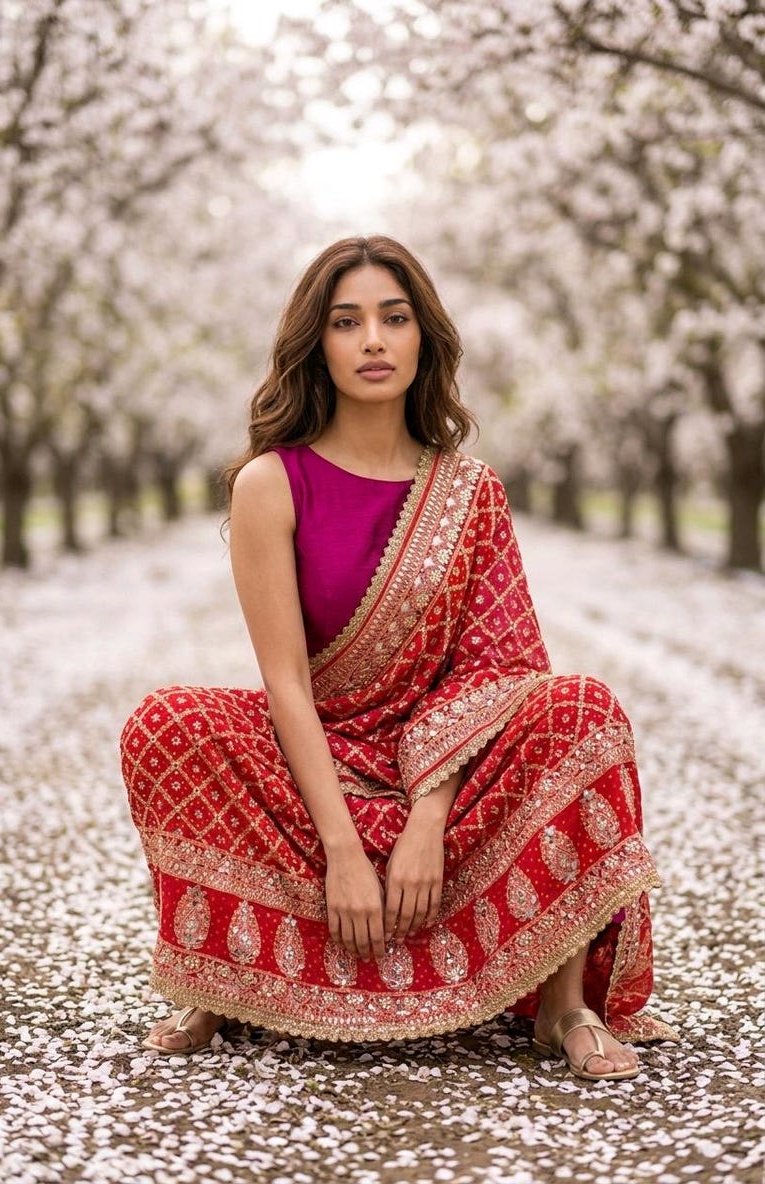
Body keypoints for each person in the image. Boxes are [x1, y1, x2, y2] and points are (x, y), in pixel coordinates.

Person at [121, 235, 676, 1080]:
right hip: (320, 762)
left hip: (444, 773)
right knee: (168, 723)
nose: (373, 340)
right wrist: (344, 849)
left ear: (425, 339)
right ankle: (227, 981)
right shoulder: (271, 482)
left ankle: (562, 1002)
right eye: (347, 323)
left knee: (581, 710)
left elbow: (498, 670)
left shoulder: (470, 490)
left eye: (394, 318)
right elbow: (285, 683)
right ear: (318, 344)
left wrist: (427, 816)